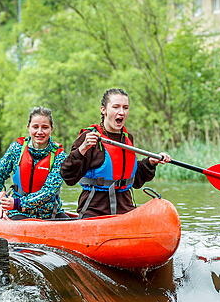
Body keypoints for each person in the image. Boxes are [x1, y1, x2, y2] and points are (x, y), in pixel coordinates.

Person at [60, 88, 172, 218]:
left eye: (125, 108)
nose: (121, 112)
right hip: (94, 212)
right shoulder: (89, 137)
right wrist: (82, 149)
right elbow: (67, 175)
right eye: (116, 107)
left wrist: (151, 162)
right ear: (104, 110)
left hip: (125, 210)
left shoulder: (127, 138)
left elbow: (134, 180)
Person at [0, 107, 69, 220]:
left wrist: (18, 203)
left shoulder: (60, 156)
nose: (39, 132)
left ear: (51, 129)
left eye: (45, 127)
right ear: (28, 128)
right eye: (35, 127)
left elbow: (49, 192)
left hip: (49, 212)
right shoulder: (16, 149)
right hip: (18, 212)